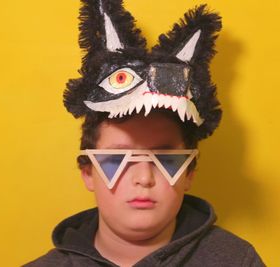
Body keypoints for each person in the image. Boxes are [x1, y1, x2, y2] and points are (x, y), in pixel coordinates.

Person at [25, 0, 265, 266]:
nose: (143, 178)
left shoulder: (237, 261)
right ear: (87, 173)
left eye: (166, 160)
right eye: (117, 160)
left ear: (189, 173)